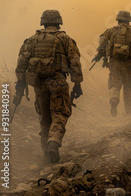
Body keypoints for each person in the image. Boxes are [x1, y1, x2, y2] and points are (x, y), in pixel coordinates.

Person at [15, 10, 83, 163]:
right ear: (59, 22)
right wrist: (77, 82)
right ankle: (53, 142)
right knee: (60, 113)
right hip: (57, 81)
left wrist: (20, 81)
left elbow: (22, 61)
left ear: (43, 22)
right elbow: (75, 61)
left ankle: (46, 152)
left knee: (44, 116)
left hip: (39, 83)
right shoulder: (65, 39)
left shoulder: (32, 40)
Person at [94, 11, 131, 117]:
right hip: (129, 64)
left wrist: (100, 54)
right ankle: (128, 110)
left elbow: (102, 42)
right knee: (129, 86)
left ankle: (114, 99)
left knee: (114, 84)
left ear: (118, 20)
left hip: (114, 62)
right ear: (128, 20)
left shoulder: (111, 31)